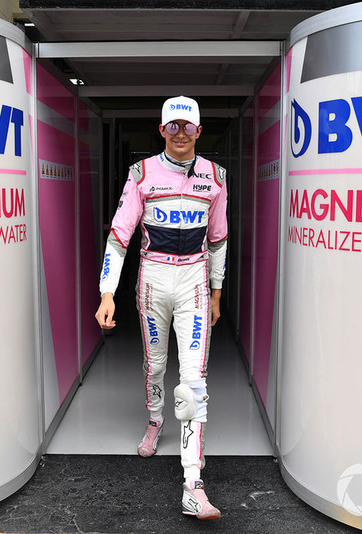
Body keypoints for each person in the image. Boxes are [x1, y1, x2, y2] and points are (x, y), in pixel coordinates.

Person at [94, 96, 228, 520]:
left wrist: (217, 292)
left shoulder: (217, 177)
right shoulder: (142, 173)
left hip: (193, 284)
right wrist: (106, 293)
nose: (181, 134)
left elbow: (219, 238)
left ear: (199, 132)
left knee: (193, 383)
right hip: (152, 282)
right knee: (155, 367)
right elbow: (119, 237)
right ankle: (155, 422)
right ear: (162, 130)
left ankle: (193, 483)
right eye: (173, 126)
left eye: (189, 127)